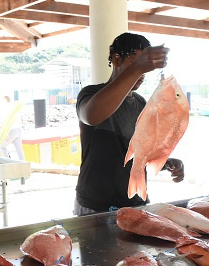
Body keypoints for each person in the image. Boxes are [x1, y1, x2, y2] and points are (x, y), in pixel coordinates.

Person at [73, 32, 185, 216]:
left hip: (136, 202)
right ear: (117, 60)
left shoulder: (141, 104)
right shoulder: (91, 94)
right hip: (94, 205)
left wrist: (165, 162)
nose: (142, 74)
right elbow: (91, 116)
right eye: (136, 65)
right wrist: (137, 68)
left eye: (145, 69)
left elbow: (142, 150)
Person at [0, 95, 25, 160]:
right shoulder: (13, 106)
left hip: (11, 130)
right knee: (19, 149)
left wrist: (5, 134)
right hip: (19, 130)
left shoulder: (3, 108)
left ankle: (7, 163)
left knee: (2, 147)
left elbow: (4, 121)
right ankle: (23, 163)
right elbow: (21, 119)